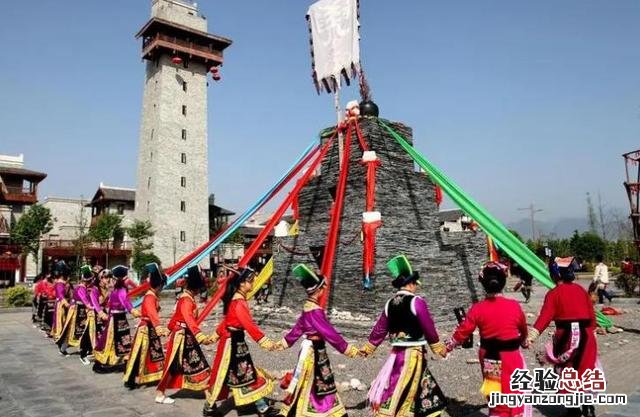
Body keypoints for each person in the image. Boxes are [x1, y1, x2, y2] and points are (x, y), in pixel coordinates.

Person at [360, 255, 447, 417]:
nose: (416, 287)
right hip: (412, 353)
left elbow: (380, 329)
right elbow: (428, 326)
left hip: (396, 353)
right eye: (415, 284)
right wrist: (438, 347)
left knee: (416, 383)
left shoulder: (390, 303)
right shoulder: (417, 302)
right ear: (411, 284)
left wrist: (368, 348)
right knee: (401, 386)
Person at [446, 262, 531, 417]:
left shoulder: (478, 308)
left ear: (484, 285)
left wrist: (448, 346)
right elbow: (523, 329)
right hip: (511, 355)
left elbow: (463, 331)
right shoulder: (514, 306)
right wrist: (524, 341)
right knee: (513, 388)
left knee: (495, 391)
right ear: (503, 283)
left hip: (489, 356)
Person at [275, 264, 359, 417]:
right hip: (315, 351)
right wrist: (349, 349)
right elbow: (330, 333)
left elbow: (296, 331)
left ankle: (294, 409)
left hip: (307, 350)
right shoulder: (316, 311)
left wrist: (280, 344)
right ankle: (327, 410)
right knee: (322, 378)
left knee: (307, 378)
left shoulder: (306, 309)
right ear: (319, 291)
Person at [528, 257, 601, 417]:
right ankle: (588, 407)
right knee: (585, 370)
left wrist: (532, 334)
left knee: (567, 372)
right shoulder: (581, 290)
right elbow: (591, 314)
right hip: (586, 336)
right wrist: (594, 333)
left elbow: (545, 317)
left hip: (566, 338)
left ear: (555, 274)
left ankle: (573, 411)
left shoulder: (554, 294)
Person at [202, 267, 280, 417]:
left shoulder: (237, 300)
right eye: (250, 282)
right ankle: (209, 407)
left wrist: (214, 336)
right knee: (225, 376)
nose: (252, 285)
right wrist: (266, 342)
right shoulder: (239, 302)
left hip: (237, 343)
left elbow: (227, 321)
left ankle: (261, 407)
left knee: (246, 374)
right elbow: (249, 325)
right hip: (231, 345)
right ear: (242, 284)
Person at [156, 265, 215, 405]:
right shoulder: (186, 300)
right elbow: (188, 318)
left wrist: (168, 329)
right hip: (181, 337)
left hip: (187, 336)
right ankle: (159, 393)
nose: (199, 291)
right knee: (173, 365)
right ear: (195, 287)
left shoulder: (187, 298)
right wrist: (199, 335)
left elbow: (175, 318)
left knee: (198, 363)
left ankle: (209, 393)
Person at [124, 263, 169, 389]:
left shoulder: (152, 296)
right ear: (159, 285)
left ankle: (154, 374)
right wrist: (159, 327)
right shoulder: (150, 297)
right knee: (139, 354)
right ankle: (130, 378)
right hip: (145, 328)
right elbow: (152, 313)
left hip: (150, 328)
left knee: (153, 353)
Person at [92, 265, 141, 373]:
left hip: (114, 318)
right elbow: (125, 301)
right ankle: (125, 365)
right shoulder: (121, 289)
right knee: (120, 341)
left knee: (111, 341)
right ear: (124, 278)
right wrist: (134, 311)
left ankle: (104, 363)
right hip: (118, 319)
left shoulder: (114, 289)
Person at [56, 265, 96, 360]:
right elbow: (84, 299)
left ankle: (86, 349)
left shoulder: (82, 287)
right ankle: (64, 348)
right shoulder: (81, 288)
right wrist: (90, 306)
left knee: (79, 331)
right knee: (72, 331)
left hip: (80, 310)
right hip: (77, 311)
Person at [51, 261, 71, 342]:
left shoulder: (62, 283)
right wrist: (66, 304)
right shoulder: (59, 283)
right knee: (60, 319)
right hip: (60, 304)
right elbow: (60, 295)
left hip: (62, 302)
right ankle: (59, 335)